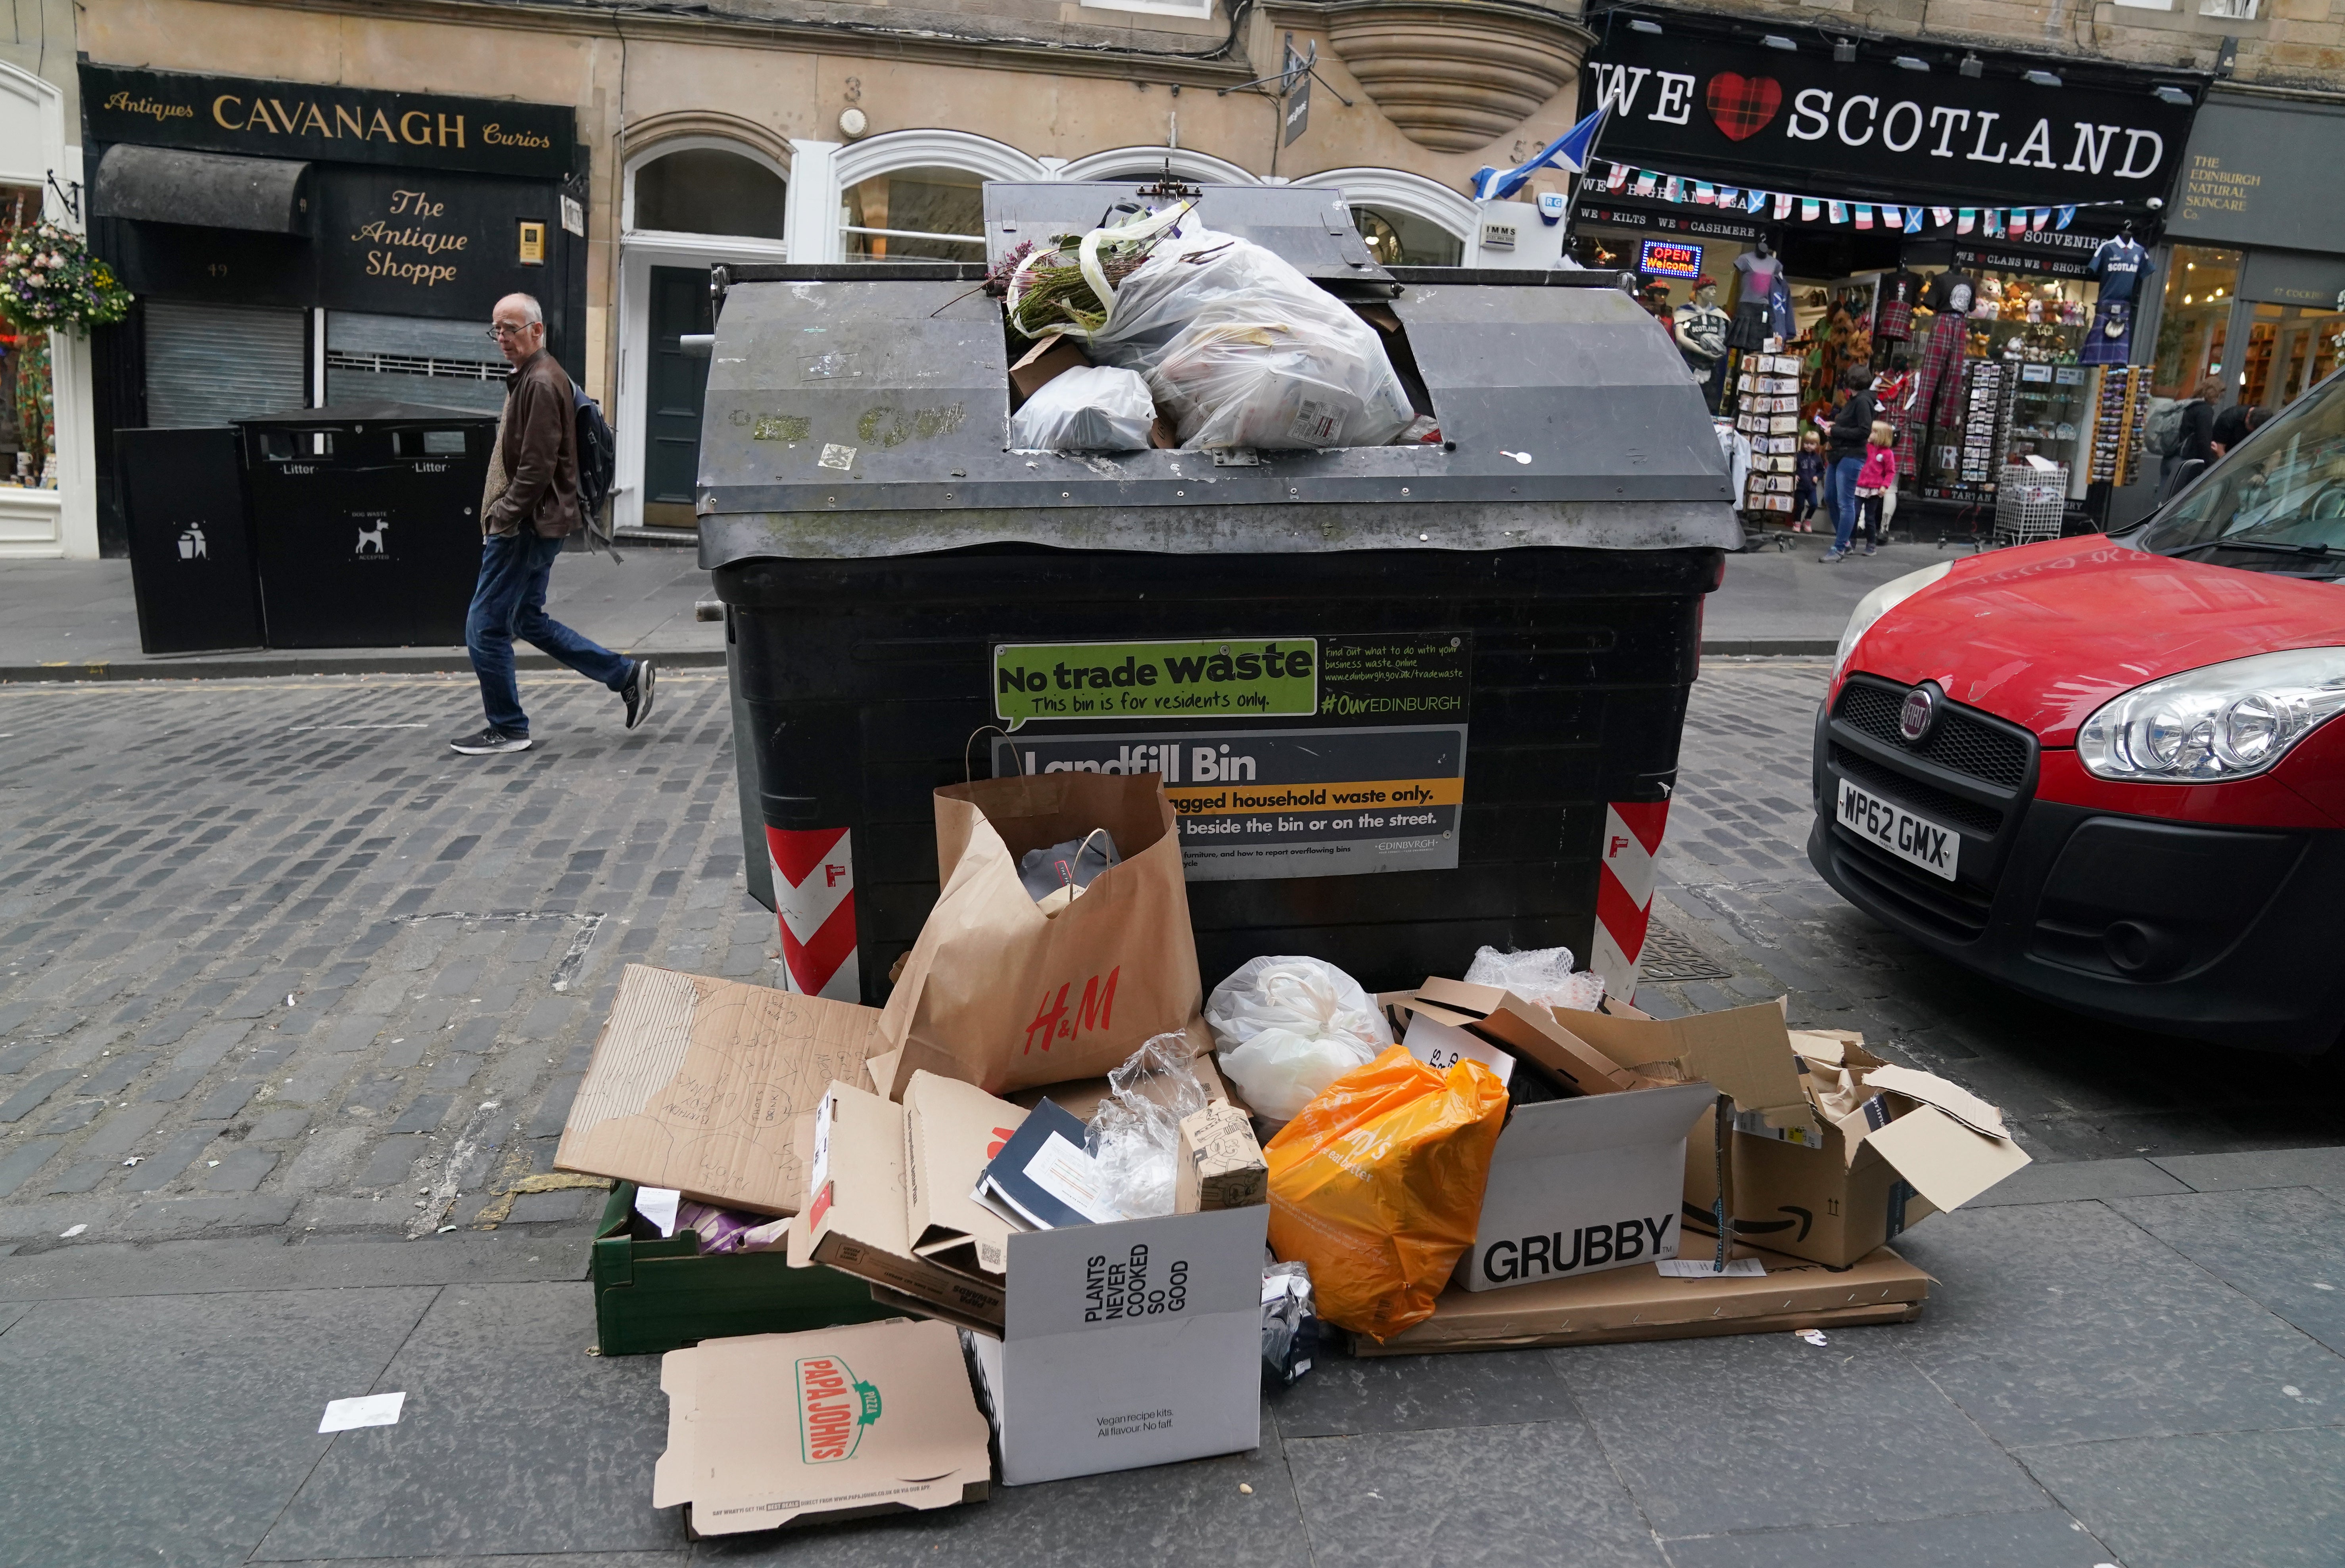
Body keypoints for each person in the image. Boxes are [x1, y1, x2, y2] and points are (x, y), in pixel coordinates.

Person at [449, 292, 654, 755]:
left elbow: (536, 468)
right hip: (537, 525)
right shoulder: (535, 376)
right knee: (527, 619)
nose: (501, 338)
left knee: (484, 628)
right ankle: (624, 674)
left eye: (511, 329)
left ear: (537, 331)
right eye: (496, 329)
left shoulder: (541, 382)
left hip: (524, 528)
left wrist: (502, 517)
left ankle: (507, 727)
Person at [1821, 365, 1878, 563]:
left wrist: (1835, 432)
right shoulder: (1856, 401)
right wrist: (1835, 427)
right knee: (1830, 497)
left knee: (1845, 503)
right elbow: (1855, 427)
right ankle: (1843, 541)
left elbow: (1864, 432)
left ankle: (1840, 547)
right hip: (1840, 454)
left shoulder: (1862, 401)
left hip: (1852, 455)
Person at [1852, 419, 1898, 557]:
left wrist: (1885, 486)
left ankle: (1871, 544)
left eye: (1873, 432)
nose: (1869, 434)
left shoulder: (1887, 453)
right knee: (1854, 515)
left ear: (1882, 436)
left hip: (1874, 490)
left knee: (1870, 518)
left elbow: (1891, 472)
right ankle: (1851, 542)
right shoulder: (1865, 447)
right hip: (1859, 486)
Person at [1792, 430, 1825, 533]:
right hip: (1800, 487)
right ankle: (1797, 522)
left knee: (1814, 504)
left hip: (1811, 487)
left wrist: (1817, 477)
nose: (1808, 446)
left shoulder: (1818, 458)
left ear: (1817, 445)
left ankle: (1807, 521)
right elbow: (1794, 467)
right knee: (1800, 506)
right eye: (1806, 443)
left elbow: (1821, 471)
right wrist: (1795, 475)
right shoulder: (1799, 456)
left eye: (1812, 444)